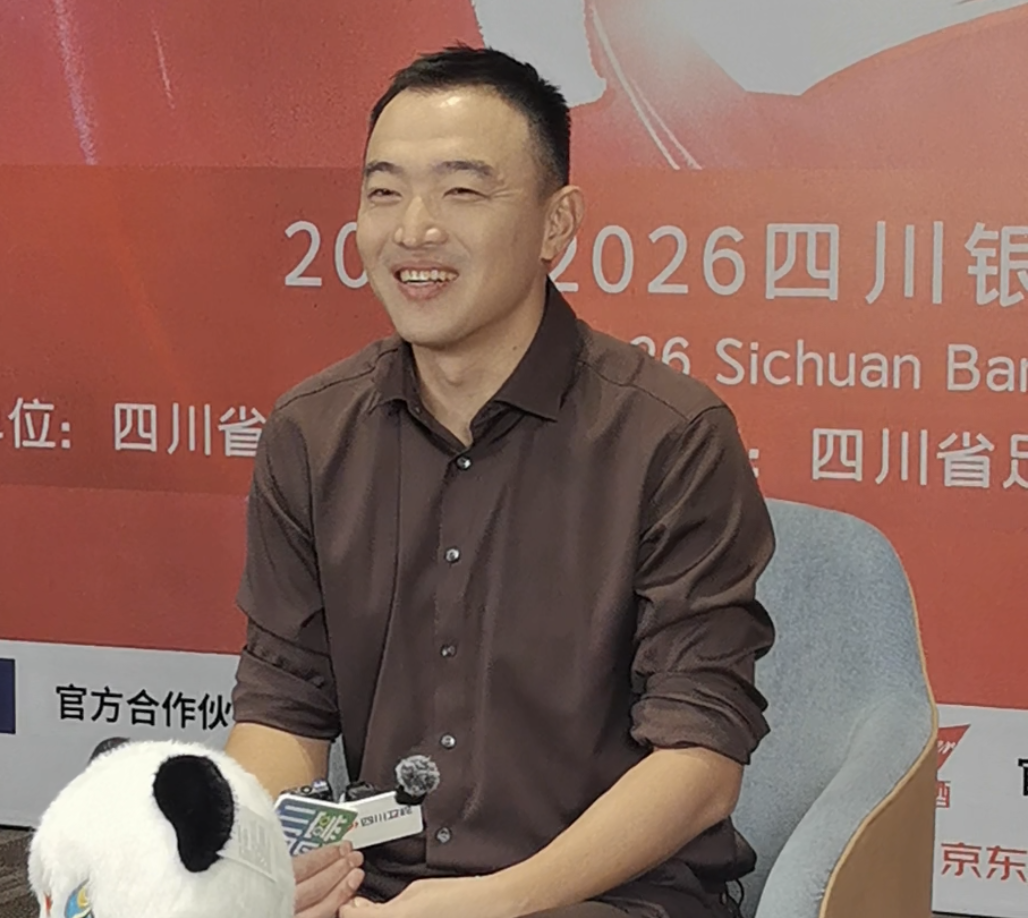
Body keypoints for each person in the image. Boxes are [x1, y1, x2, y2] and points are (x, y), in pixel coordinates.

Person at [223, 45, 776, 918]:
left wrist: (496, 903)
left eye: (462, 191)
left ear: (558, 225)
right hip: (377, 890)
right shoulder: (311, 433)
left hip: (606, 897)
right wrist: (268, 862)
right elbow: (284, 706)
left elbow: (701, 757)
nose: (413, 230)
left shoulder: (670, 438)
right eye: (384, 192)